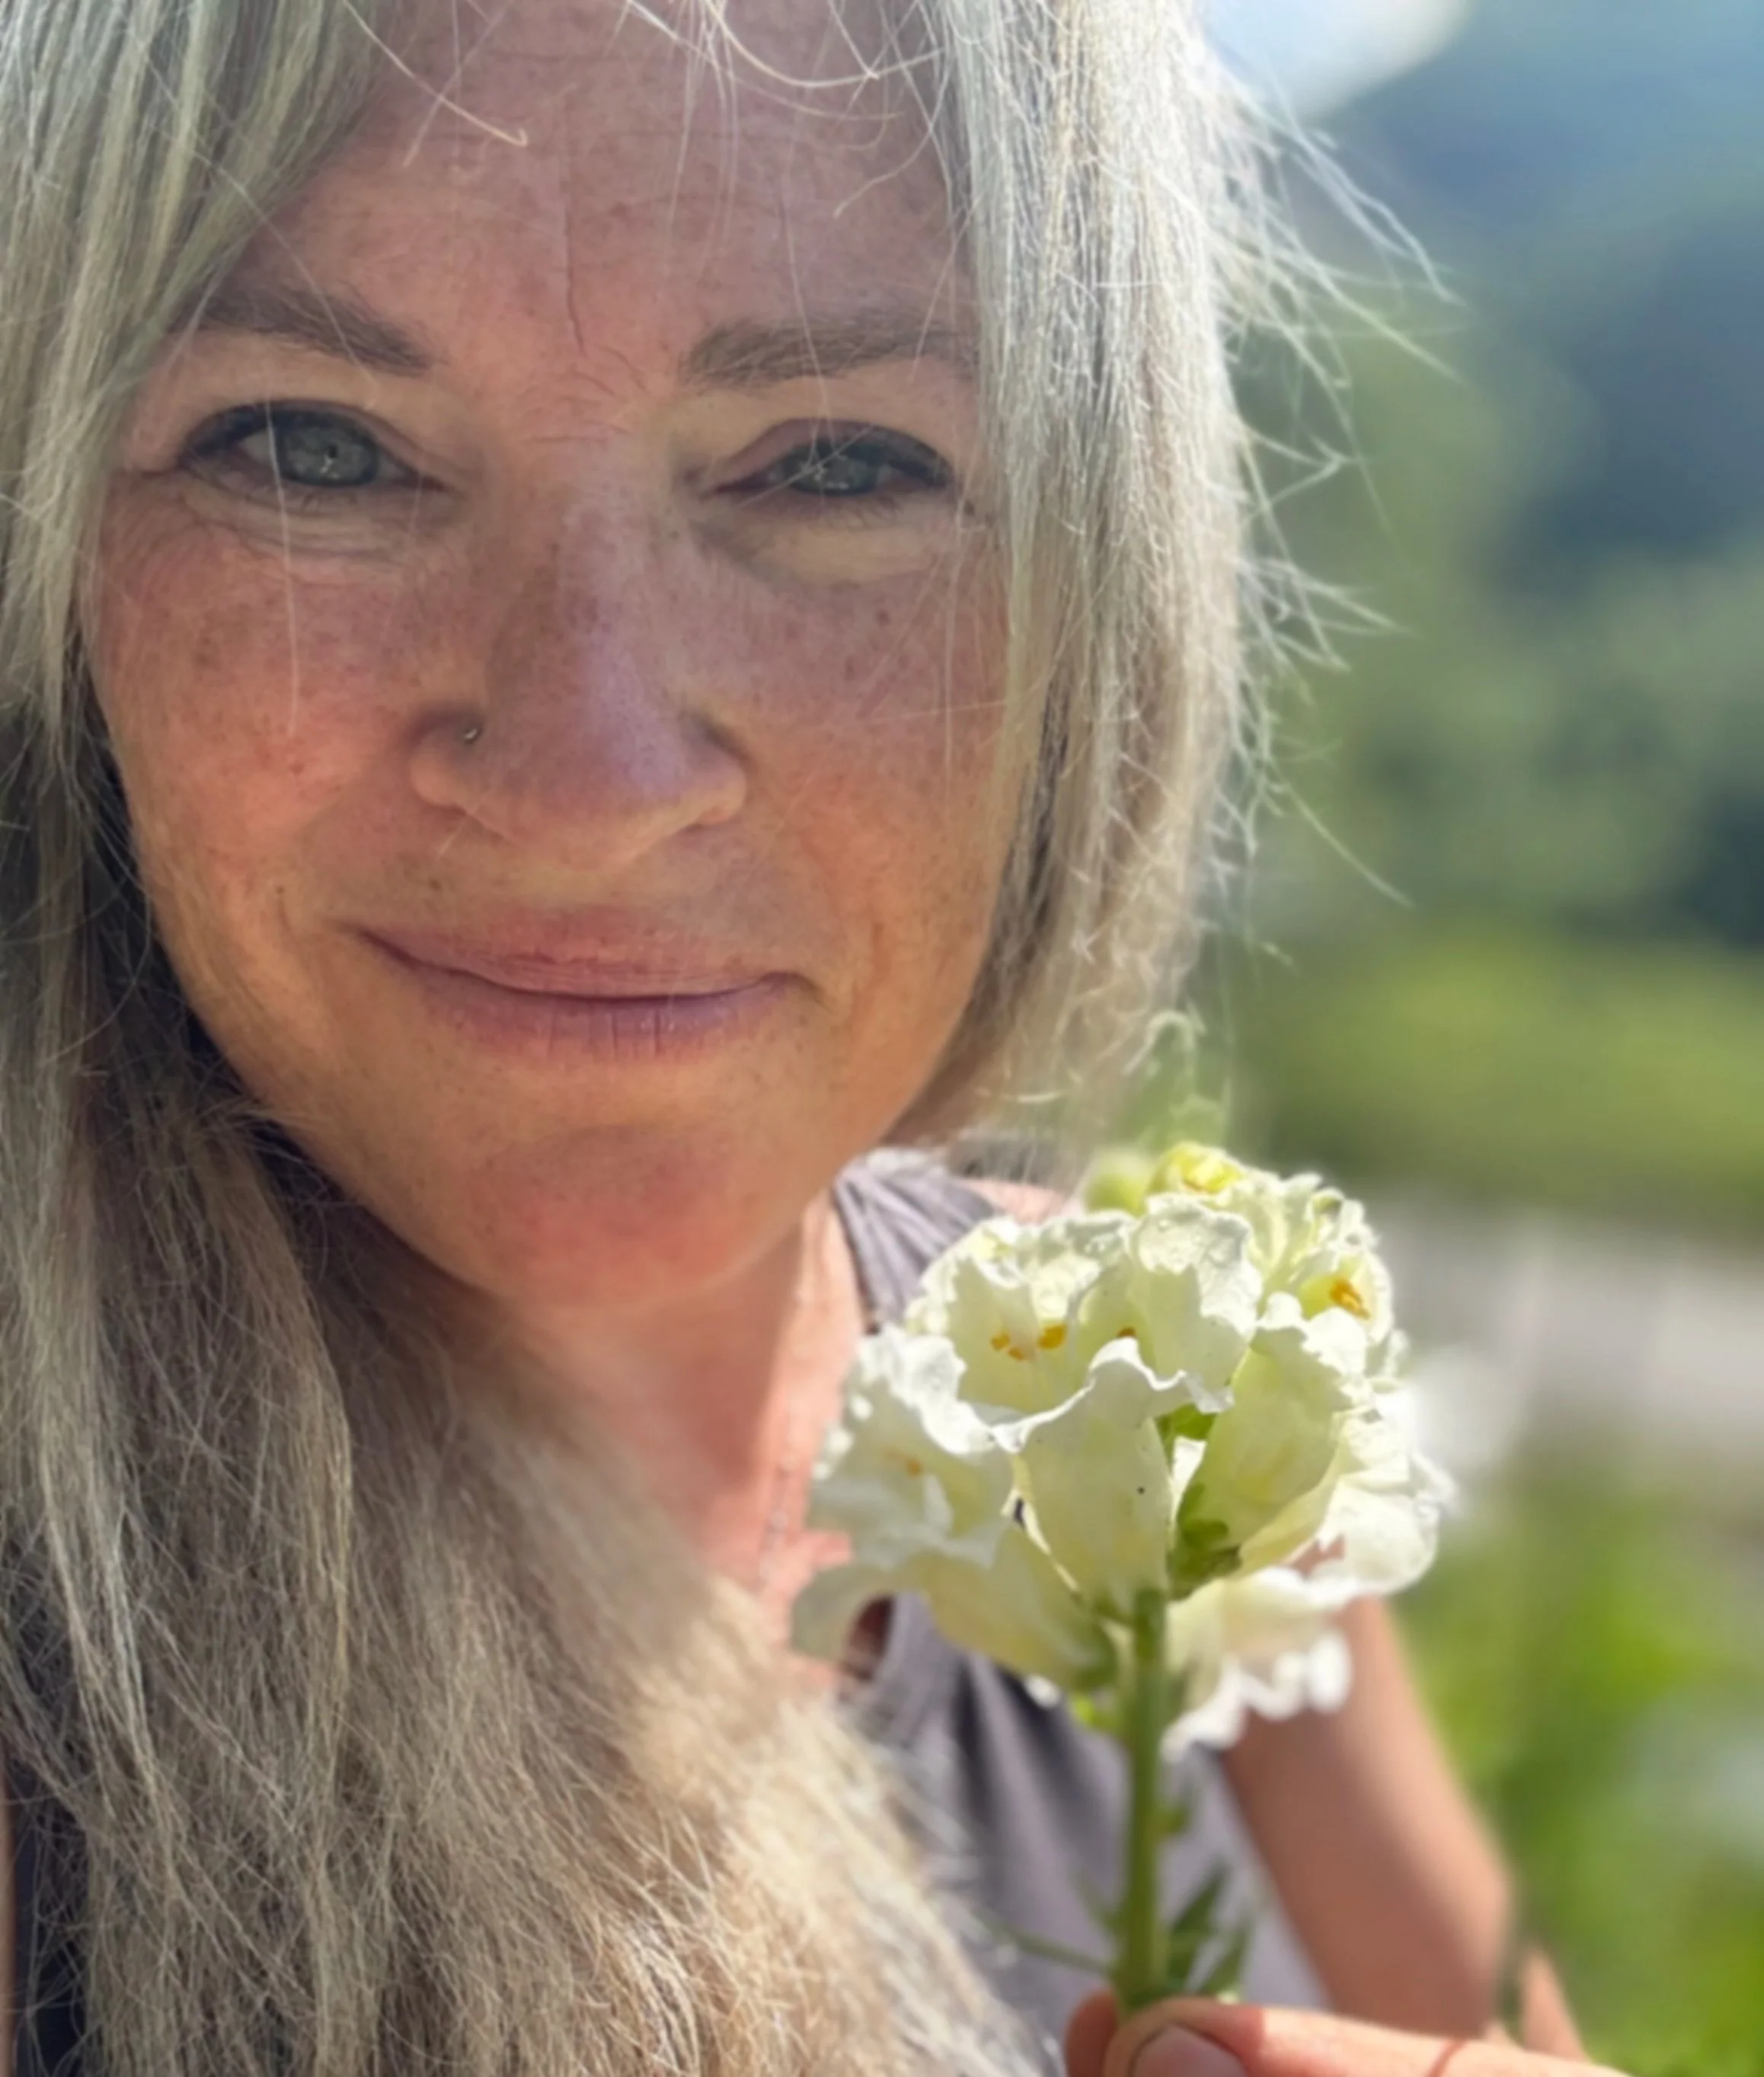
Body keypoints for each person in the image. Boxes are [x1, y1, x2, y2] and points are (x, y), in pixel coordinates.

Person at [0, 1, 1611, 2072]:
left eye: (835, 462)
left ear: (1095, 590)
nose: (589, 777)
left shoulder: (1168, 1398)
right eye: (312, 442)